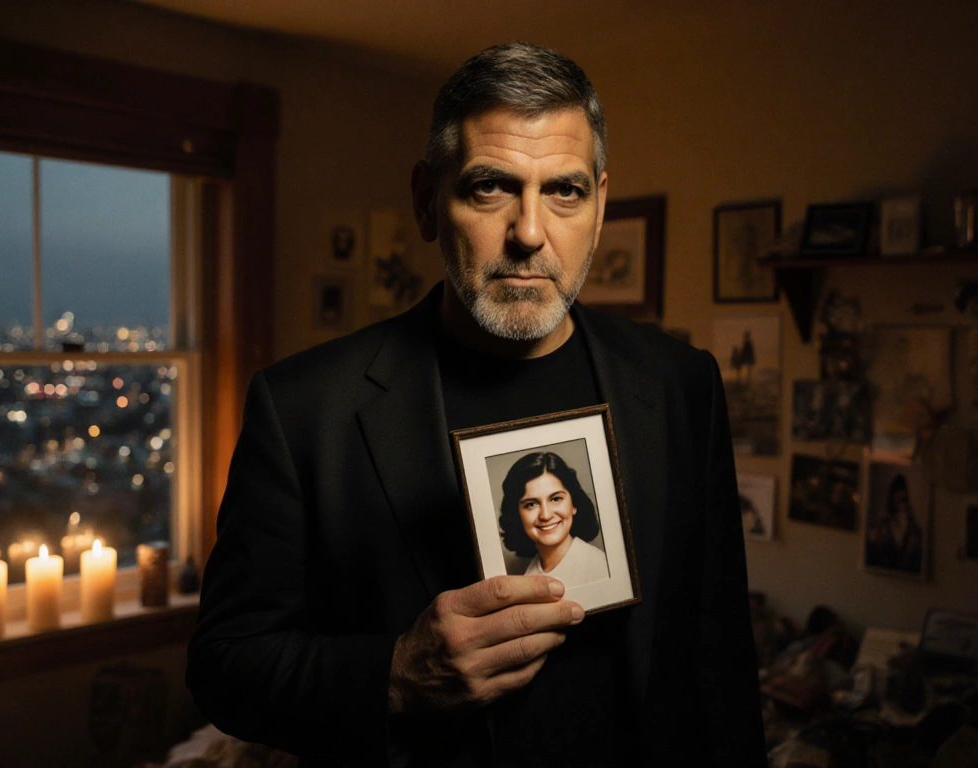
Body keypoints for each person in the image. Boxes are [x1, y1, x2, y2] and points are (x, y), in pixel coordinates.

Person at [187, 42, 764, 766]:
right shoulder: (305, 407)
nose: (530, 232)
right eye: (490, 187)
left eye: (565, 190)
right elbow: (224, 669)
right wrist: (395, 673)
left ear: (601, 202)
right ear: (428, 200)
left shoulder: (682, 384)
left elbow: (721, 662)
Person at [497, 451, 609, 586]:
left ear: (574, 505)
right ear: (517, 515)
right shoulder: (529, 574)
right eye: (531, 504)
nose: (546, 515)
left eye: (556, 499)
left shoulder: (600, 568)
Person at [866, 473, 924, 573]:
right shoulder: (882, 525)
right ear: (892, 497)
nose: (901, 497)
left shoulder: (914, 531)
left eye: (903, 497)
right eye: (897, 493)